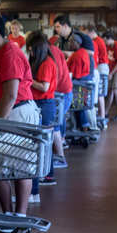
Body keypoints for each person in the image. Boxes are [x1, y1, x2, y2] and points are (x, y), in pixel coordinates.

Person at [0, 13, 38, 228]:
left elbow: (11, 94)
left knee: (21, 167)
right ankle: (7, 216)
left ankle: (19, 217)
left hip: (17, 112)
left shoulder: (10, 53)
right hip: (1, 113)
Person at [26, 31, 58, 195]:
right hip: (41, 103)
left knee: (42, 143)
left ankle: (45, 176)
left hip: (44, 103)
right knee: (43, 142)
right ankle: (47, 173)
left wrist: (28, 79)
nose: (29, 52)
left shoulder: (46, 63)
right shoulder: (42, 61)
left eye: (31, 49)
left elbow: (44, 87)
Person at [48, 40, 72, 169]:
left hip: (61, 92)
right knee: (56, 123)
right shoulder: (54, 50)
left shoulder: (51, 52)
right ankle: (59, 153)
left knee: (54, 124)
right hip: (62, 91)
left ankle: (60, 157)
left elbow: (57, 74)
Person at [66, 35, 92, 132]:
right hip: (83, 83)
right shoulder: (83, 52)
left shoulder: (77, 55)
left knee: (78, 106)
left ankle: (83, 127)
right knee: (80, 106)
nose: (69, 44)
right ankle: (81, 126)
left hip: (79, 83)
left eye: (71, 42)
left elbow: (73, 74)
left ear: (76, 43)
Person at [86, 24, 109, 127]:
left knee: (99, 94)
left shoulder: (96, 41)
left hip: (101, 66)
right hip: (102, 66)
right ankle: (102, 116)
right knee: (100, 94)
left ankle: (102, 117)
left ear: (91, 32)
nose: (86, 36)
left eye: (87, 34)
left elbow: (96, 57)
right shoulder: (99, 40)